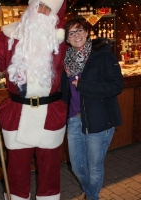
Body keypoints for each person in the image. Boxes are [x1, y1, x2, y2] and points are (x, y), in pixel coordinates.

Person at [0, 0, 67, 200]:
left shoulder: (61, 39)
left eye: (48, 9)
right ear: (32, 6)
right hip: (18, 114)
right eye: (40, 5)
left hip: (49, 114)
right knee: (16, 170)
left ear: (56, 14)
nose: (42, 11)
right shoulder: (9, 35)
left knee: (50, 170)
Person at [64, 19, 123, 200]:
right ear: (67, 39)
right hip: (74, 119)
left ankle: (91, 197)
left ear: (87, 32)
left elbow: (116, 86)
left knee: (95, 167)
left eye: (80, 30)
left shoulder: (103, 56)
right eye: (71, 33)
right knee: (77, 167)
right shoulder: (66, 61)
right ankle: (91, 194)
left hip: (99, 120)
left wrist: (83, 85)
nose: (77, 35)